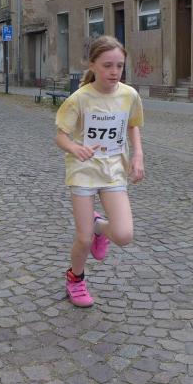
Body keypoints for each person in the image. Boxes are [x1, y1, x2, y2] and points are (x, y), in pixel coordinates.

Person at [54, 35, 145, 307]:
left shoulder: (129, 95)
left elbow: (133, 125)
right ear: (92, 65)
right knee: (83, 240)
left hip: (113, 170)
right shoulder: (79, 99)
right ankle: (76, 279)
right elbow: (61, 136)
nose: (115, 72)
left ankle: (99, 226)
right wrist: (75, 148)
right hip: (83, 171)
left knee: (124, 235)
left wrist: (138, 155)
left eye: (119, 66)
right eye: (107, 65)